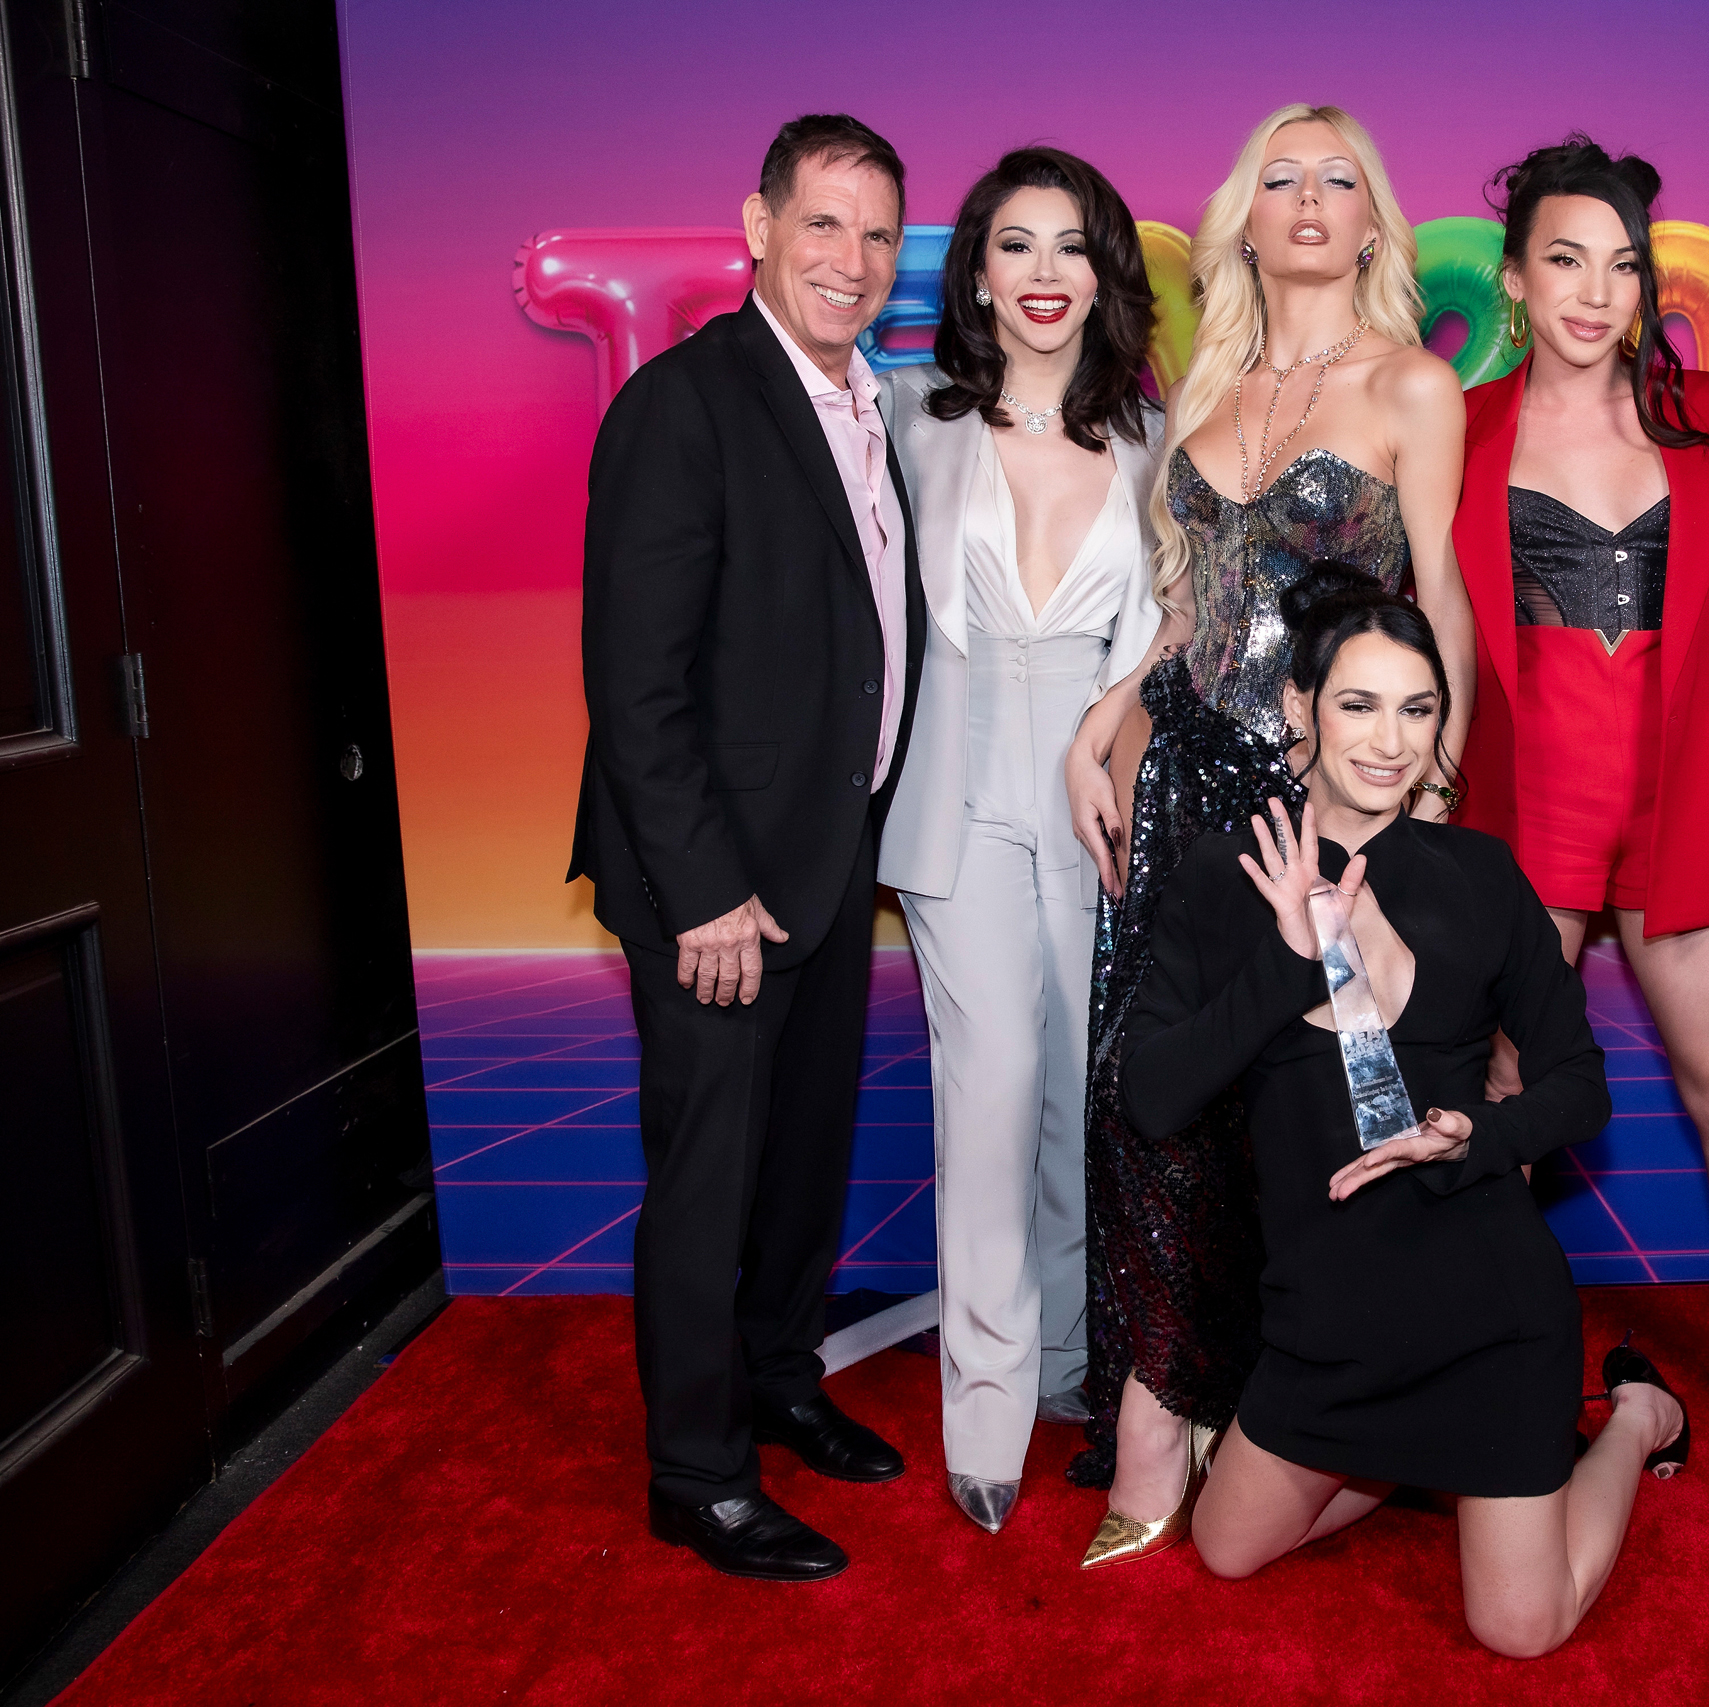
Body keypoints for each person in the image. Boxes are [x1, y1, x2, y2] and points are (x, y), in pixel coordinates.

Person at [1120, 567, 1688, 1658]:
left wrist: (1480, 1133)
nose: (1390, 741)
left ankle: (1632, 1417)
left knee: (1519, 1628)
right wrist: (1288, 962)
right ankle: (1410, 1461)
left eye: (1417, 709)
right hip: (1325, 1314)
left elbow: (1580, 1083)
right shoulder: (1223, 875)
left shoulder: (1478, 876)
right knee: (1227, 1547)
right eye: (1359, 704)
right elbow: (1151, 1097)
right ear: (1299, 706)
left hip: (1482, 1305)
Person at [1075, 103, 1475, 1569]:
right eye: (1282, 178)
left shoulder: (1411, 385)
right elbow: (1190, 610)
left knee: (1307, 1108)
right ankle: (1154, 1413)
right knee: (1152, 1096)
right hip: (1178, 785)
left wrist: (1428, 795)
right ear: (1246, 218)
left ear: (1372, 225)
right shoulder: (1211, 385)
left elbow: (1437, 596)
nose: (1309, 199)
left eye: (1339, 180)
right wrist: (1097, 722)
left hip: (1319, 803)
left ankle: (1286, 1402)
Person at [1453, 137, 1709, 1507]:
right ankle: (1501, 1373)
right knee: (1505, 1098)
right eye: (1563, 260)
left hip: (1689, 808)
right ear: (1515, 277)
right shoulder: (1463, 427)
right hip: (1525, 817)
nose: (1593, 292)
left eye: (1620, 266)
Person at [568, 113, 923, 1581]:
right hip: (716, 883)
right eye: (823, 223)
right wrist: (706, 890)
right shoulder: (684, 403)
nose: (852, 258)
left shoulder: (867, 403)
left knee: (799, 1160)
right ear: (760, 226)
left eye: (878, 233)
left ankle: (781, 1379)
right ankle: (698, 1473)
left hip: (826, 857)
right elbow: (635, 682)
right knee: (710, 1176)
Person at [877, 147, 1177, 1536]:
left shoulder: (1156, 443)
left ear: (1104, 275)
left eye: (1072, 247)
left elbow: (1184, 617)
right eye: (1017, 244)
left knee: (1081, 1101)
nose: (1045, 273)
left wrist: (1121, 723)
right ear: (979, 274)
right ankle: (987, 1409)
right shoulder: (906, 417)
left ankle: (1066, 1365)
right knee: (991, 1091)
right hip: (955, 804)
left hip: (1097, 801)